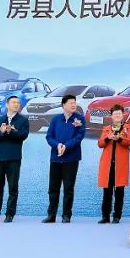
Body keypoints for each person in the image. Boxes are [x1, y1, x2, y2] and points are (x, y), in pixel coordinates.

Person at [0, 96, 29, 223]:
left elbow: (23, 135)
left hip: (14, 158)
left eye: (18, 103)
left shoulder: (23, 120)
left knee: (13, 187)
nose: (16, 104)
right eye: (13, 102)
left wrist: (12, 131)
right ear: (7, 104)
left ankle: (10, 214)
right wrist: (2, 132)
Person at [44, 94, 86, 223]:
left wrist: (66, 147)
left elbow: (79, 137)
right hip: (55, 158)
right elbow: (49, 136)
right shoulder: (56, 119)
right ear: (63, 105)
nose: (74, 105)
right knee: (53, 188)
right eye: (70, 103)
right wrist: (57, 145)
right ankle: (51, 215)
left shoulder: (80, 119)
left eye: (74, 102)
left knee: (68, 188)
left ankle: (66, 215)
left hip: (71, 158)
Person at [97, 105, 130, 224]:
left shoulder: (127, 128)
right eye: (115, 114)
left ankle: (117, 216)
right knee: (107, 191)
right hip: (107, 164)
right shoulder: (106, 128)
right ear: (111, 116)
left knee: (119, 191)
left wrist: (119, 139)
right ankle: (105, 216)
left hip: (120, 164)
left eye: (119, 113)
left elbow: (129, 142)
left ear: (123, 115)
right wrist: (108, 138)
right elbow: (100, 144)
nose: (117, 115)